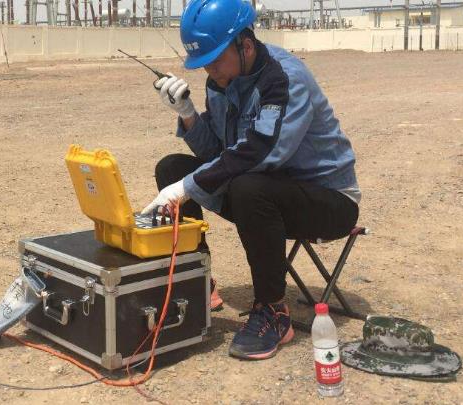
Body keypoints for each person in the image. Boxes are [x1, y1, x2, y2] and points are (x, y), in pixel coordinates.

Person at [141, 0, 361, 360]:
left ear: (245, 45)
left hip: (329, 201)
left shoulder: (284, 79)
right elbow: (218, 152)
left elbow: (259, 153)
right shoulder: (222, 80)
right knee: (172, 168)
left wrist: (186, 189)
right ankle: (195, 282)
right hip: (266, 191)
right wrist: (187, 115)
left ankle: (274, 312)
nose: (209, 71)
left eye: (214, 60)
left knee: (244, 186)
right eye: (203, 64)